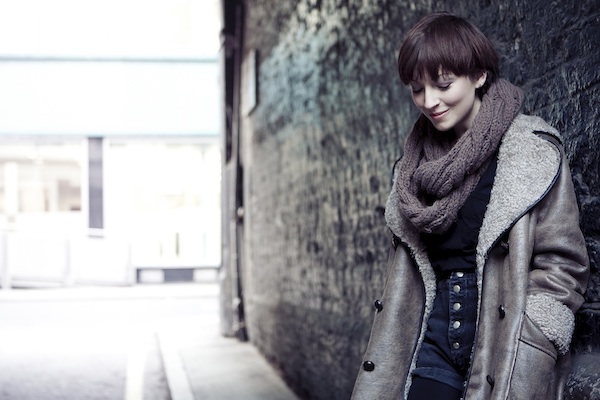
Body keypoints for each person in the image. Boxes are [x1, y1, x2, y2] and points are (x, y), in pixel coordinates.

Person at [351, 12, 589, 400]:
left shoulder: (530, 151)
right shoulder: (413, 169)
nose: (429, 101)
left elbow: (564, 263)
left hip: (506, 345)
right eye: (417, 89)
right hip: (433, 348)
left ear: (479, 76)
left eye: (443, 85)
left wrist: (535, 334)